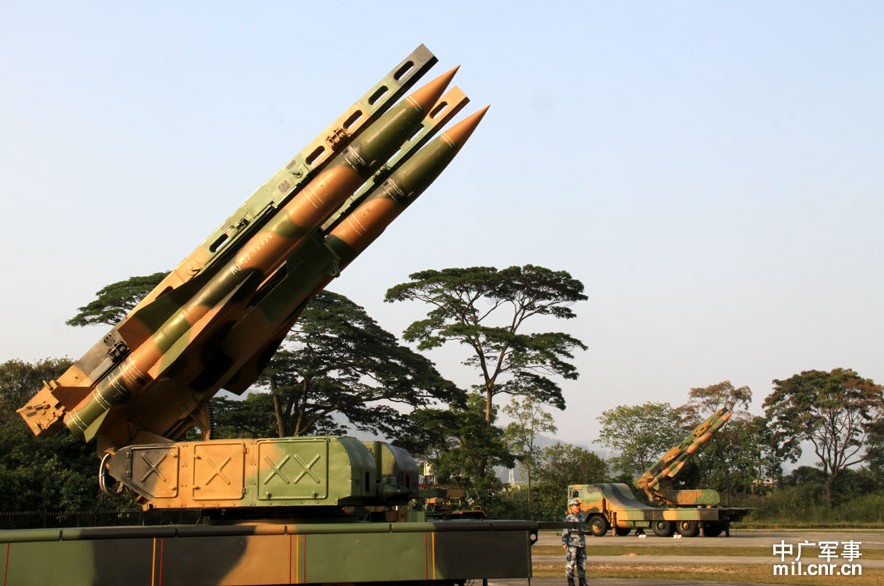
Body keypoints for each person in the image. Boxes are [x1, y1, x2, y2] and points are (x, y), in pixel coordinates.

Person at [561, 498, 587, 586]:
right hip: (572, 544)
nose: (578, 507)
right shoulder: (568, 518)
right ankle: (570, 580)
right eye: (576, 505)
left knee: (582, 563)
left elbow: (584, 530)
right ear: (571, 507)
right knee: (570, 562)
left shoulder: (581, 518)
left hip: (581, 543)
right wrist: (564, 543)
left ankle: (582, 580)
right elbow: (565, 532)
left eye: (578, 505)